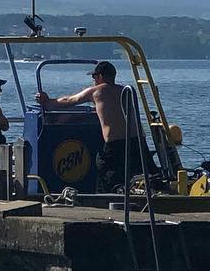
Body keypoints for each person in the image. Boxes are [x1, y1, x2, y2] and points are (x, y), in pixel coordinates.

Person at [35, 61, 142, 190]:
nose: (93, 81)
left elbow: (69, 101)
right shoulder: (126, 91)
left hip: (115, 144)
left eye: (94, 77)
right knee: (139, 174)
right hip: (137, 141)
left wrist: (47, 101)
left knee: (107, 175)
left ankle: (110, 198)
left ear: (100, 77)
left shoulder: (96, 91)